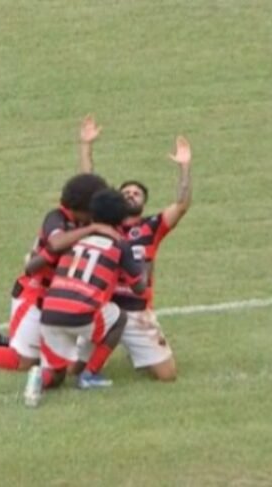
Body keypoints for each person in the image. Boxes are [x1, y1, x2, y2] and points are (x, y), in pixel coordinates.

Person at [0, 173, 119, 371]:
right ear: (81, 207)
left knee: (56, 358)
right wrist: (92, 229)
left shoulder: (82, 219)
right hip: (34, 295)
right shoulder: (56, 218)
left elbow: (89, 181)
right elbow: (56, 243)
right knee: (24, 362)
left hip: (61, 299)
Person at [78, 115, 192, 381]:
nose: (130, 194)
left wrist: (184, 167)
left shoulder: (153, 227)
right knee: (72, 370)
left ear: (144, 202)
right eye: (125, 192)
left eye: (136, 193)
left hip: (137, 311)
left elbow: (182, 204)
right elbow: (87, 184)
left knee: (167, 375)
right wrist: (86, 146)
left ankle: (135, 348)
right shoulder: (104, 221)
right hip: (104, 308)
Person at [26, 188, 146, 390]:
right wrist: (141, 263)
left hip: (50, 313)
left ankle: (39, 379)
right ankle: (90, 374)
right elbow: (140, 288)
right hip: (80, 316)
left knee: (56, 377)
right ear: (122, 217)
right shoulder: (120, 245)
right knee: (119, 318)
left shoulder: (72, 239)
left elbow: (31, 267)